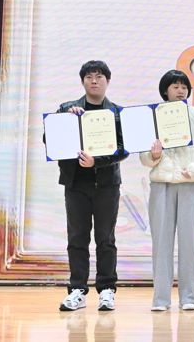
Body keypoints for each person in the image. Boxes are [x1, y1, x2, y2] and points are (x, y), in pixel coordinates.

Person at [140, 70, 194, 311]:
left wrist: (193, 170)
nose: (181, 90)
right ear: (165, 90)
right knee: (161, 244)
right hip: (162, 185)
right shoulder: (153, 118)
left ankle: (189, 298)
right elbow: (144, 156)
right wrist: (153, 155)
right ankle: (160, 299)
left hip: (191, 185)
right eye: (175, 86)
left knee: (190, 243)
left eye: (184, 87)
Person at [55, 60, 129, 312]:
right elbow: (50, 139)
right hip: (75, 184)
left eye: (99, 77)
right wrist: (67, 120)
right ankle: (77, 290)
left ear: (108, 81)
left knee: (105, 239)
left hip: (107, 184)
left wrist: (97, 161)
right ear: (82, 81)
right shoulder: (67, 109)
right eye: (89, 77)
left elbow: (123, 149)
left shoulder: (116, 112)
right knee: (77, 238)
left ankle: (107, 290)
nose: (94, 81)